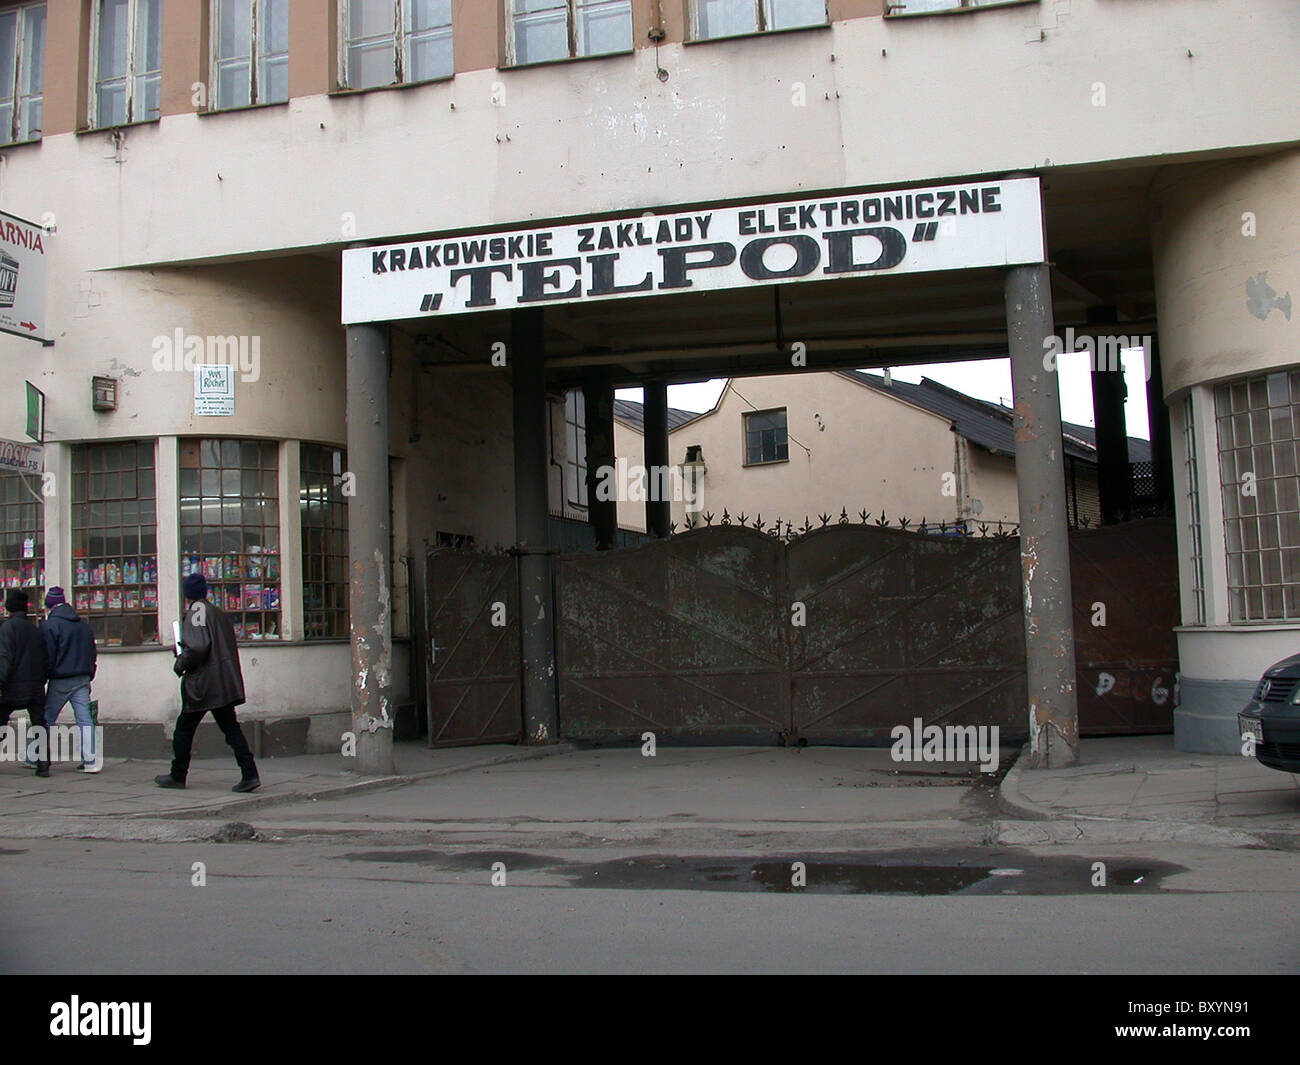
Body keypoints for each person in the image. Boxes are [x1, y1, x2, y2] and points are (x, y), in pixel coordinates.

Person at [156, 573, 260, 792]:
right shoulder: (216, 612)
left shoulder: (197, 612)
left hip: (204, 685)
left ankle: (178, 775)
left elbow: (197, 647)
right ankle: (249, 773)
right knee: (231, 730)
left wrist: (180, 663)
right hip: (221, 682)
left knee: (183, 731)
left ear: (187, 594)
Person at [41, 587, 101, 773]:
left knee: (46, 718)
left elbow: (48, 655)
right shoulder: (82, 624)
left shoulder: (50, 625)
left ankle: (34, 755)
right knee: (84, 719)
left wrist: (44, 676)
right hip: (82, 677)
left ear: (48, 605)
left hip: (61, 678)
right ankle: (91, 761)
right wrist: (89, 673)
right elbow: (92, 652)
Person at [0, 590, 49, 777]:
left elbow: (5, 658)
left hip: (12, 687)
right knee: (39, 724)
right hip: (35, 687)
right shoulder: (35, 629)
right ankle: (43, 764)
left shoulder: (7, 628)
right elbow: (44, 659)